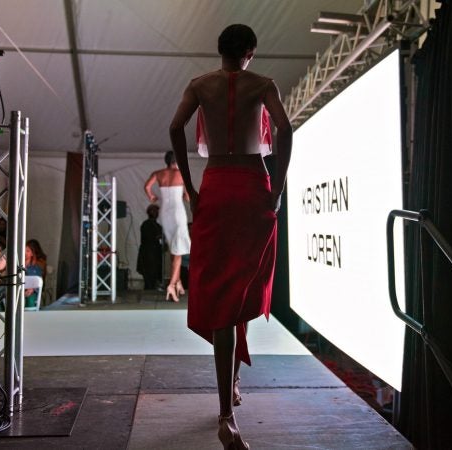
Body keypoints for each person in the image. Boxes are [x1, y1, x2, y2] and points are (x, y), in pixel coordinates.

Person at [169, 24, 292, 450]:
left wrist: (189, 185)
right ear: (251, 52)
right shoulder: (263, 83)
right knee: (242, 285)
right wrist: (276, 189)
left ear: (220, 50)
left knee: (223, 290)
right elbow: (285, 129)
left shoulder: (201, 84)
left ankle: (227, 404)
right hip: (252, 185)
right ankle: (228, 408)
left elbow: (174, 128)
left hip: (217, 184)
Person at [144, 150, 191, 302]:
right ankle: (172, 284)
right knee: (179, 250)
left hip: (165, 213)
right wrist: (185, 195)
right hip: (177, 212)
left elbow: (147, 186)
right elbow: (188, 197)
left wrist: (151, 196)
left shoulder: (158, 173)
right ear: (178, 161)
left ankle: (178, 282)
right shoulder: (182, 174)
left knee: (173, 247)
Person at [137, 204, 164, 290]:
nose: (156, 213)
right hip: (148, 256)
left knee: (155, 277)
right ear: (149, 212)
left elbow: (161, 240)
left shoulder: (158, 226)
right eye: (154, 211)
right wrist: (158, 237)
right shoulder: (146, 224)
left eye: (157, 211)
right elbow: (148, 239)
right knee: (149, 279)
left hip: (156, 256)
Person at [24, 240, 44, 309]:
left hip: (31, 293)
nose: (25, 253)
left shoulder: (36, 268)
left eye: (28, 251)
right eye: (24, 250)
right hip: (19, 290)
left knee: (30, 298)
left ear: (32, 253)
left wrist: (32, 289)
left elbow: (39, 283)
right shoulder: (17, 266)